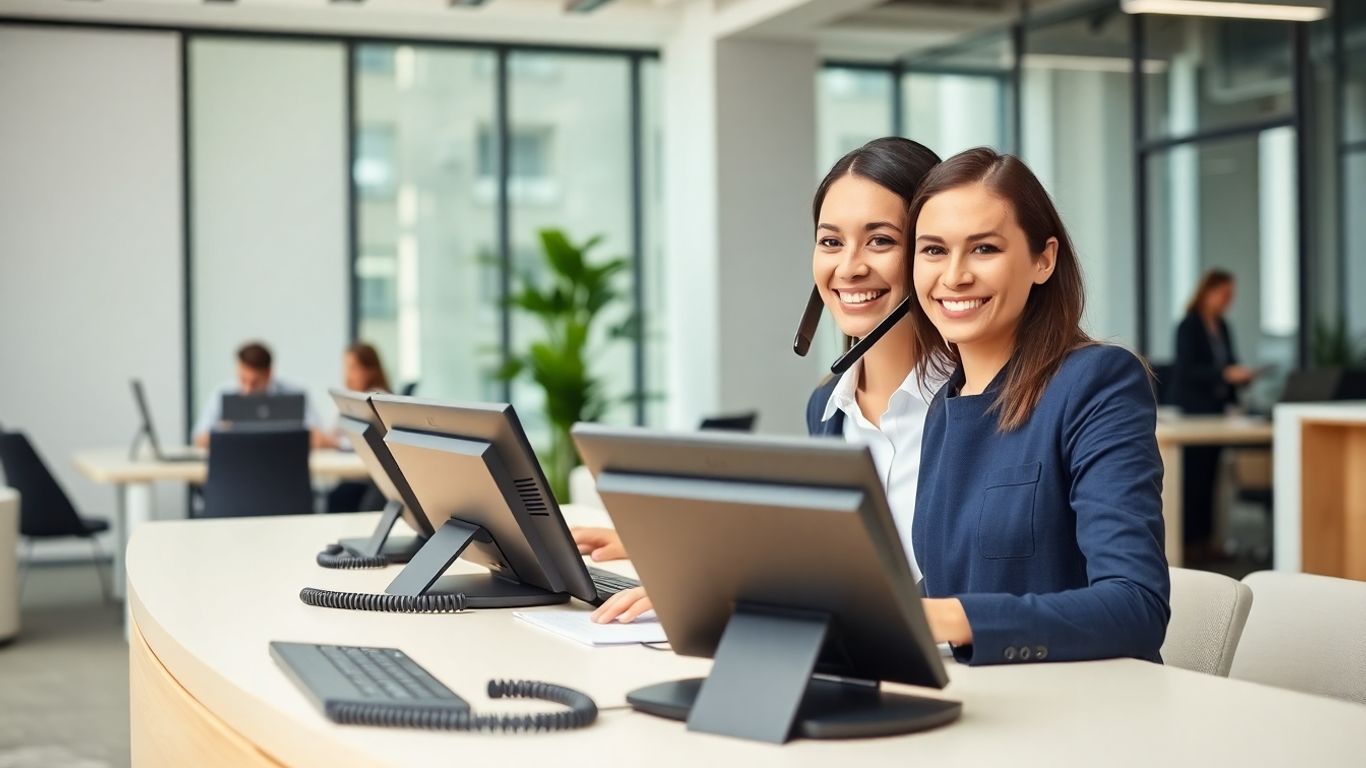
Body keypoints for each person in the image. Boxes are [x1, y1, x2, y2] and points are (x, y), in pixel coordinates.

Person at [584, 137, 943, 623]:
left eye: (881, 240)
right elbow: (848, 561)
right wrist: (698, 558)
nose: (850, 267)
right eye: (831, 241)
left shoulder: (981, 401)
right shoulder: (827, 407)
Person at [906, 148, 1168, 663]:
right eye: (933, 251)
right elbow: (946, 583)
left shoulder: (1097, 382)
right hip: (976, 710)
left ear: (1043, 259)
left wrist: (952, 617)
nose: (954, 276)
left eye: (983, 249)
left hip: (1079, 715)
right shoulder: (943, 407)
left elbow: (1137, 607)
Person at [1170, 269, 1254, 556]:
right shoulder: (1188, 326)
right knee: (1193, 477)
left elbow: (1230, 362)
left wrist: (1241, 376)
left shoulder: (1223, 327)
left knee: (1211, 479)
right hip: (1194, 411)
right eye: (1225, 294)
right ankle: (1189, 541)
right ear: (1208, 292)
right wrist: (1223, 373)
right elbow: (1187, 370)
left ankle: (1208, 540)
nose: (1228, 301)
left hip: (1219, 411)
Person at [192, 341, 322, 448]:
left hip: (282, 465)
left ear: (269, 373)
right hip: (237, 466)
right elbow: (199, 439)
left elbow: (320, 439)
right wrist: (224, 432)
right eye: (243, 380)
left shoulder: (294, 394)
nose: (247, 390)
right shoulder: (223, 394)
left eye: (254, 383)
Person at [323, 343, 393, 512]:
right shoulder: (353, 399)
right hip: (360, 478)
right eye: (346, 368)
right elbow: (337, 430)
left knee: (339, 496)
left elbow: (366, 440)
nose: (348, 375)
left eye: (354, 368)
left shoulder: (377, 400)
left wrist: (334, 443)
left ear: (370, 370)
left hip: (371, 481)